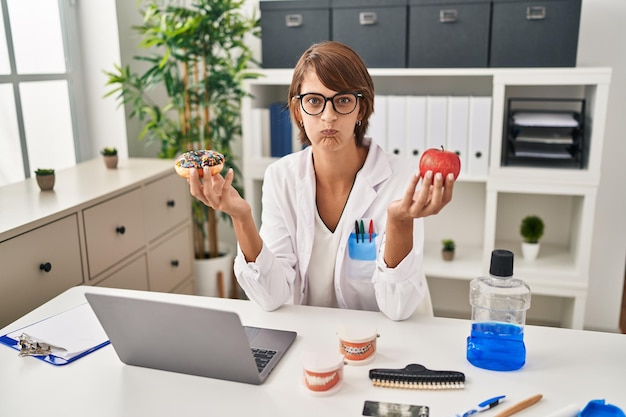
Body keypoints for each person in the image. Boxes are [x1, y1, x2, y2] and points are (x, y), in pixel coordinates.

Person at [188, 41, 455, 321]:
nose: (329, 117)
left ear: (361, 109)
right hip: (311, 340)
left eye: (342, 101)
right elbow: (271, 297)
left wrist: (400, 223)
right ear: (297, 111)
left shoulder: (402, 179)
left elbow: (397, 308)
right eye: (314, 101)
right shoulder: (281, 177)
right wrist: (241, 218)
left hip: (385, 344)